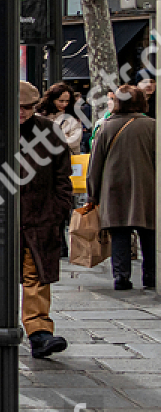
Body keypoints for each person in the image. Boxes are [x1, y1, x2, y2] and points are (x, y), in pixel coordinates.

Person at [17, 82, 74, 358]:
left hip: (40, 215)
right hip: (2, 218)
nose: (21, 112)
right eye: (17, 107)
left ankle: (39, 332)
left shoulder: (49, 132)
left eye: (26, 107)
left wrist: (59, 209)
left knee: (36, 275)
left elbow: (63, 174)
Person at [85, 84, 157, 291]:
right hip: (146, 188)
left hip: (114, 189)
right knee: (149, 234)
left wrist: (92, 194)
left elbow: (95, 163)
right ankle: (151, 276)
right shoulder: (152, 126)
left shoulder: (106, 127)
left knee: (119, 234)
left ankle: (121, 276)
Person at [35, 80, 83, 154]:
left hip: (65, 161)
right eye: (61, 101)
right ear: (52, 100)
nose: (64, 104)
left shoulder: (73, 119)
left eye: (67, 101)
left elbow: (74, 143)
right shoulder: (38, 117)